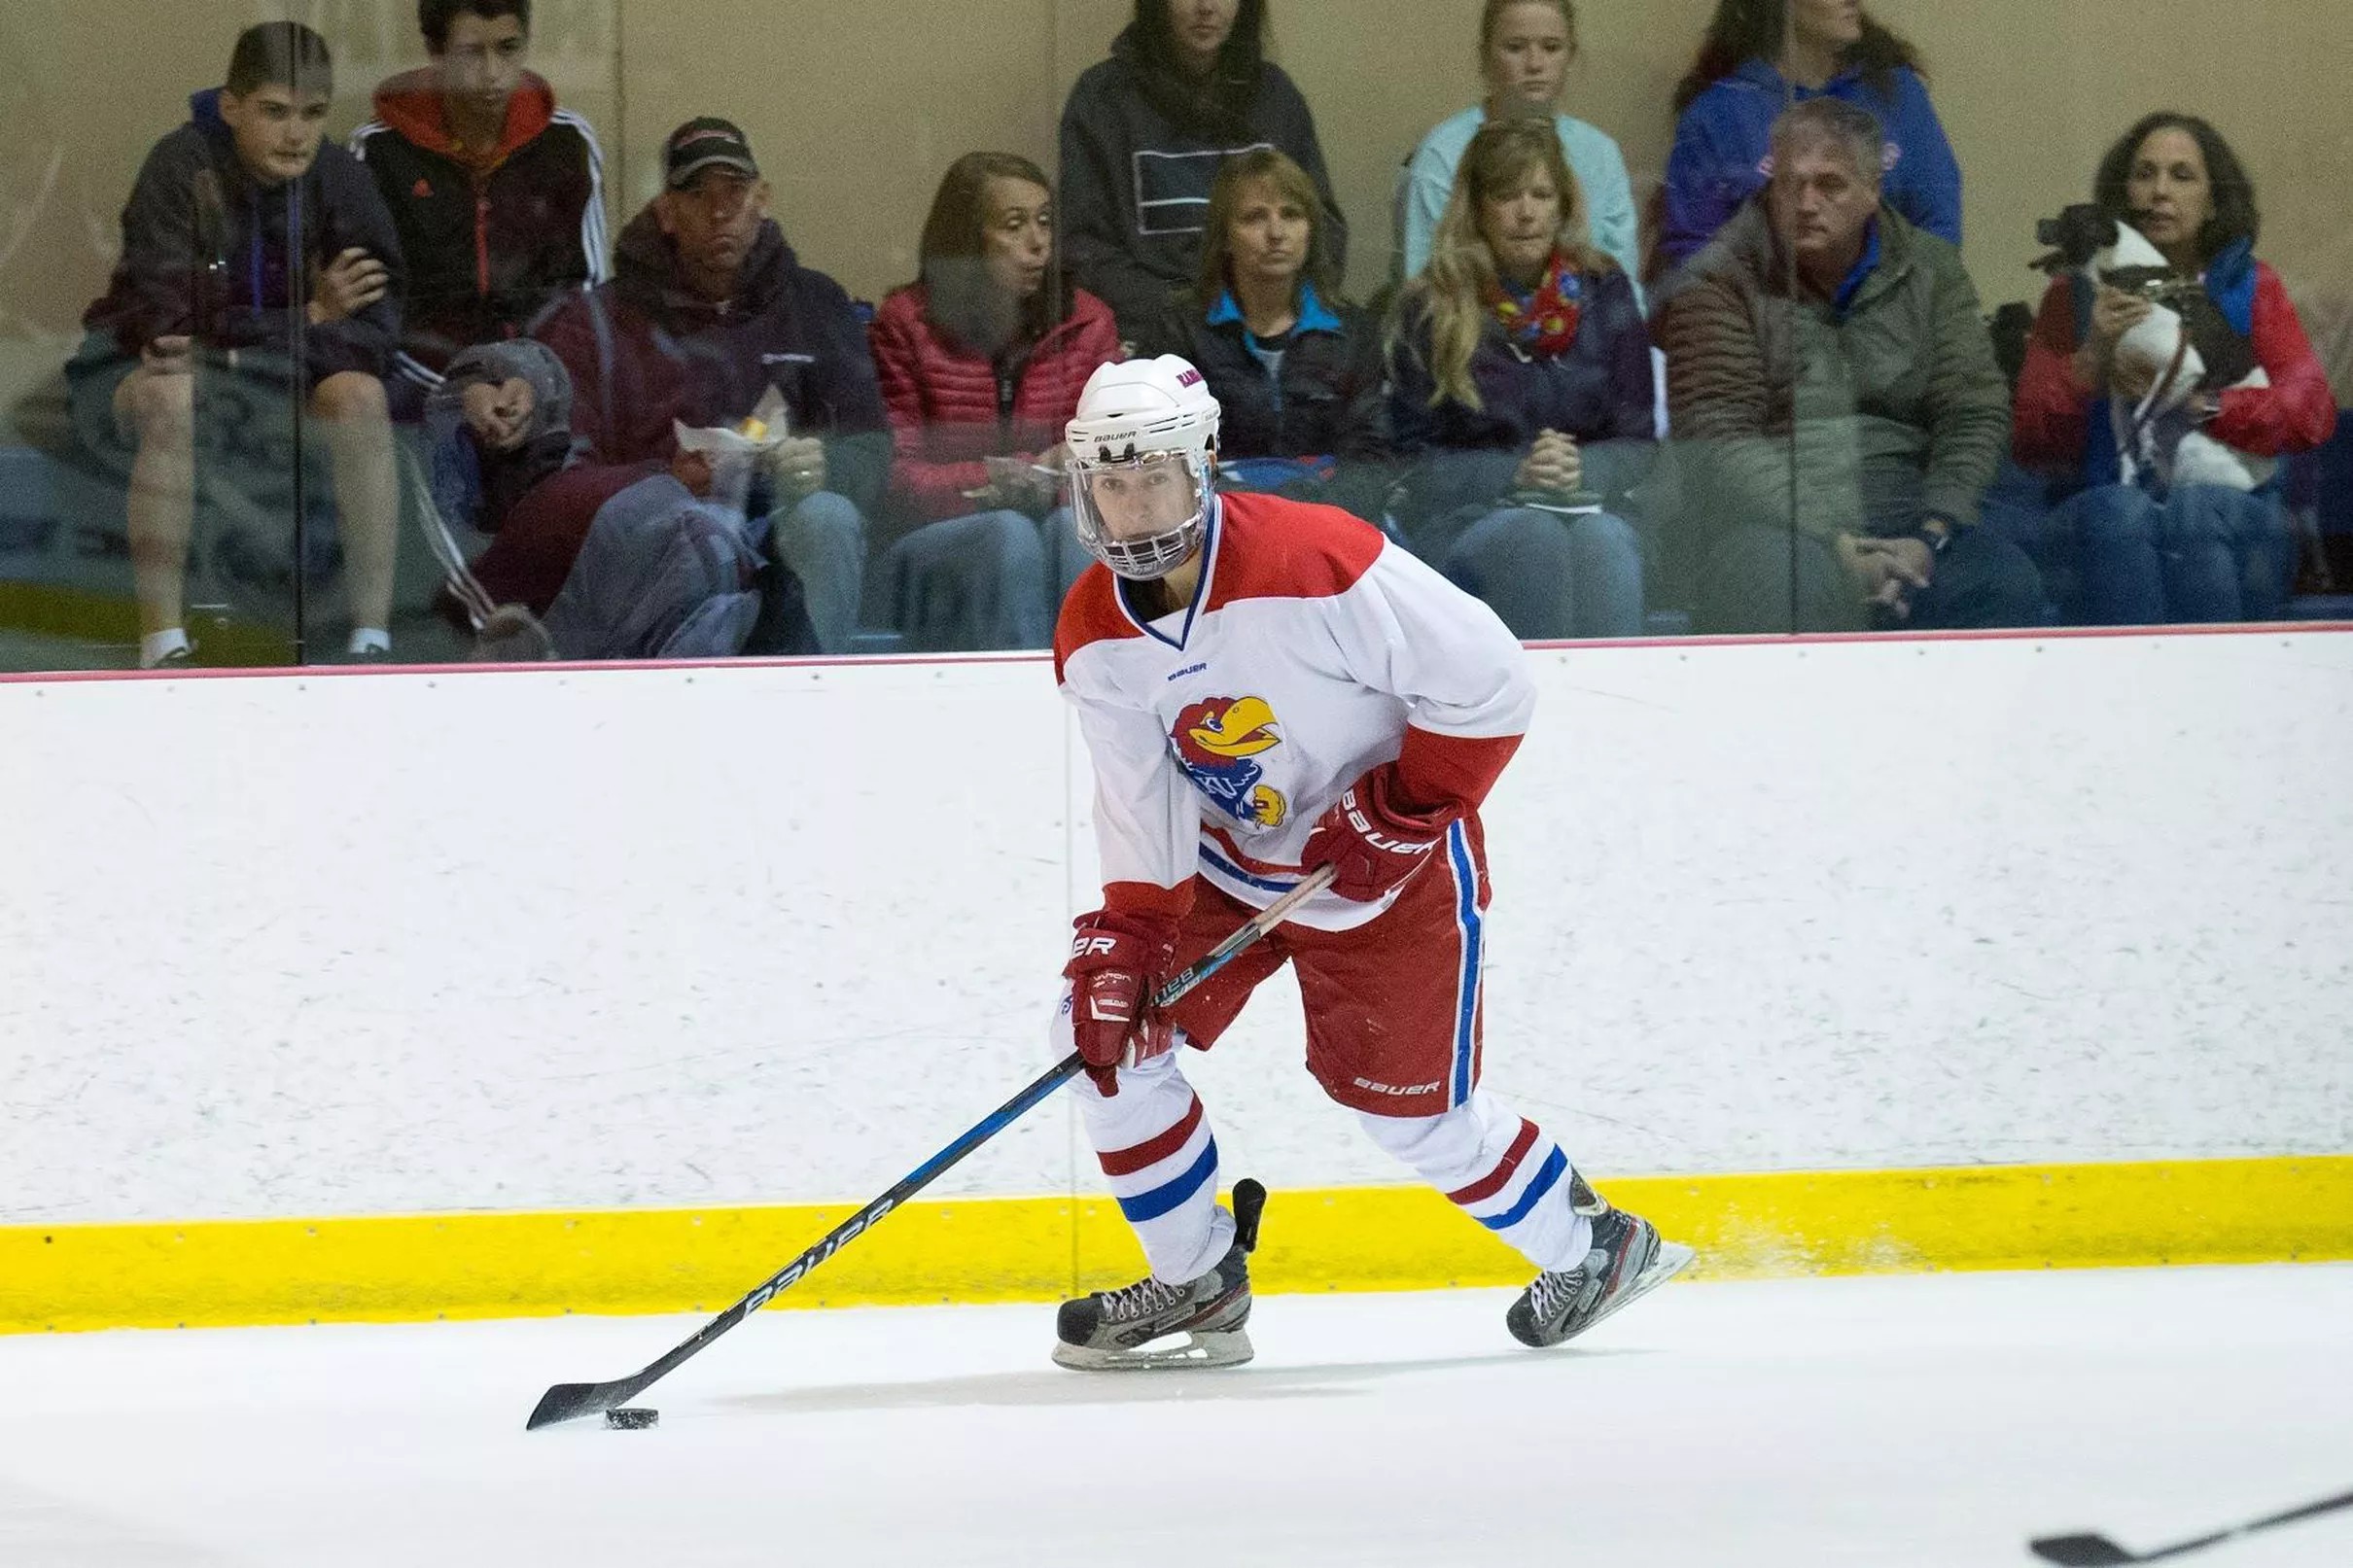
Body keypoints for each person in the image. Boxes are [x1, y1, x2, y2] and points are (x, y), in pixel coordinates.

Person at [1045, 352, 1693, 1371]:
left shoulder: (1316, 559)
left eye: (1155, 477)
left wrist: (1403, 808)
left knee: (1411, 1119)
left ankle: (1595, 1249)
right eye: (1112, 483)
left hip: (1389, 873)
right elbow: (1139, 796)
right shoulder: (1093, 628)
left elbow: (1490, 680)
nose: (1133, 507)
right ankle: (1198, 1277)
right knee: (1103, 1039)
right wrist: (1131, 932)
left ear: (1203, 463)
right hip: (1228, 870)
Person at [74, 21, 406, 668]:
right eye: (275, 112)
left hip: (279, 377)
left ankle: (372, 640)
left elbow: (375, 335)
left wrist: (242, 347)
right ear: (230, 106)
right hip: (141, 372)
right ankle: (162, 645)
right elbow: (170, 331)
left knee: (361, 396)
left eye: (312, 114)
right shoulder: (179, 167)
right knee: (170, 396)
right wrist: (309, 315)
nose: (296, 133)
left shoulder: (341, 178)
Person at [1657, 99, 2040, 635]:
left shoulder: (1931, 268)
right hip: (1771, 522)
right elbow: (1720, 434)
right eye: (1790, 185)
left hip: (1909, 507)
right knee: (1784, 582)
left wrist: (1931, 533)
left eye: (1830, 185)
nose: (1805, 203)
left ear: (1872, 190)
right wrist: (1836, 541)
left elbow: (1972, 411)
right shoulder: (1717, 278)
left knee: (2003, 581)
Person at [535, 118, 887, 654]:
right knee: (688, 531)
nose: (719, 212)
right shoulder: (599, 321)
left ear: (762, 199)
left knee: (828, 517)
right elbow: (564, 475)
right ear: (667, 212)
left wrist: (823, 466)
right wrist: (661, 482)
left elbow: (873, 446)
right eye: (698, 195)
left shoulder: (816, 302)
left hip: (785, 527)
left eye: (735, 192)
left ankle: (811, 695)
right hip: (661, 542)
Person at [2011, 114, 2335, 625]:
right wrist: (2092, 356)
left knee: (2197, 512)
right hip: (2103, 508)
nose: (2160, 191)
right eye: (2145, 174)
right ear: (2124, 194)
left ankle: (2217, 671)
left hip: (2235, 509)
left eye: (2182, 176)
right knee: (2121, 514)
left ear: (2213, 203)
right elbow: (2033, 444)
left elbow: (2311, 414)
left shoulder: (2251, 287)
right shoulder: (2075, 293)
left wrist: (2201, 404)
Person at [1387, 120, 1652, 641]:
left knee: (1604, 544)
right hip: (1467, 519)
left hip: (1591, 509)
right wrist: (1515, 473)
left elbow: (1640, 441)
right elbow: (1409, 463)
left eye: (1541, 195)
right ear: (1478, 209)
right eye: (1507, 196)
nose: (1526, 212)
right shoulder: (1432, 302)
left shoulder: (1605, 288)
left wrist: (1583, 467)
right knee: (1533, 536)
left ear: (1562, 206)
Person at [865, 154, 1119, 651]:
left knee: (1076, 529)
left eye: (1044, 221)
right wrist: (1009, 480)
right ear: (966, 240)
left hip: (1055, 521)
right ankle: (1028, 693)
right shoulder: (906, 324)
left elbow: (1115, 470)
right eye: (1014, 225)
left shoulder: (1088, 323)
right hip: (930, 544)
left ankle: (1099, 683)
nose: (1038, 242)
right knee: (1007, 534)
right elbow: (893, 481)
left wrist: (1066, 474)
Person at [351, 0, 609, 406]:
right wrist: (459, 389)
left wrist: (535, 380)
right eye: (471, 52)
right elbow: (372, 306)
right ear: (436, 52)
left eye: (508, 48)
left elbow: (584, 293)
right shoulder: (378, 151)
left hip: (539, 386)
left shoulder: (568, 143)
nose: (492, 73)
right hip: (419, 388)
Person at [1060, 0, 1346, 340]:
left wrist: (1266, 308)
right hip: (1150, 334)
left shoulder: (1276, 96)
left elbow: (1322, 229)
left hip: (1267, 326)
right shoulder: (1103, 98)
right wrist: (1189, 315)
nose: (1206, 7)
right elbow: (1082, 247)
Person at [1141, 149, 1389, 526]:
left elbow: (1373, 457)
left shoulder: (1354, 331)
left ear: (1310, 231)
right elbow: (1163, 458)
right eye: (1255, 217)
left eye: (1291, 215)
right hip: (1219, 524)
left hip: (1330, 522)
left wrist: (1304, 514)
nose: (1276, 233)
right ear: (1225, 238)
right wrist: (1252, 515)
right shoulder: (1177, 331)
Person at [1662, 0, 1959, 271]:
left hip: (1895, 305)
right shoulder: (1717, 115)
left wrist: (1903, 304)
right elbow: (1693, 257)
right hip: (1762, 308)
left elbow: (1938, 226)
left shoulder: (1896, 92)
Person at [1397, 0, 1640, 293]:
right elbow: (1424, 287)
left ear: (1571, 55)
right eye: (1515, 47)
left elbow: (1624, 285)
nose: (1535, 64)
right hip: (1468, 316)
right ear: (1485, 57)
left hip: (1589, 316)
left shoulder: (1601, 153)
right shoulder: (1443, 154)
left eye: (1551, 47)